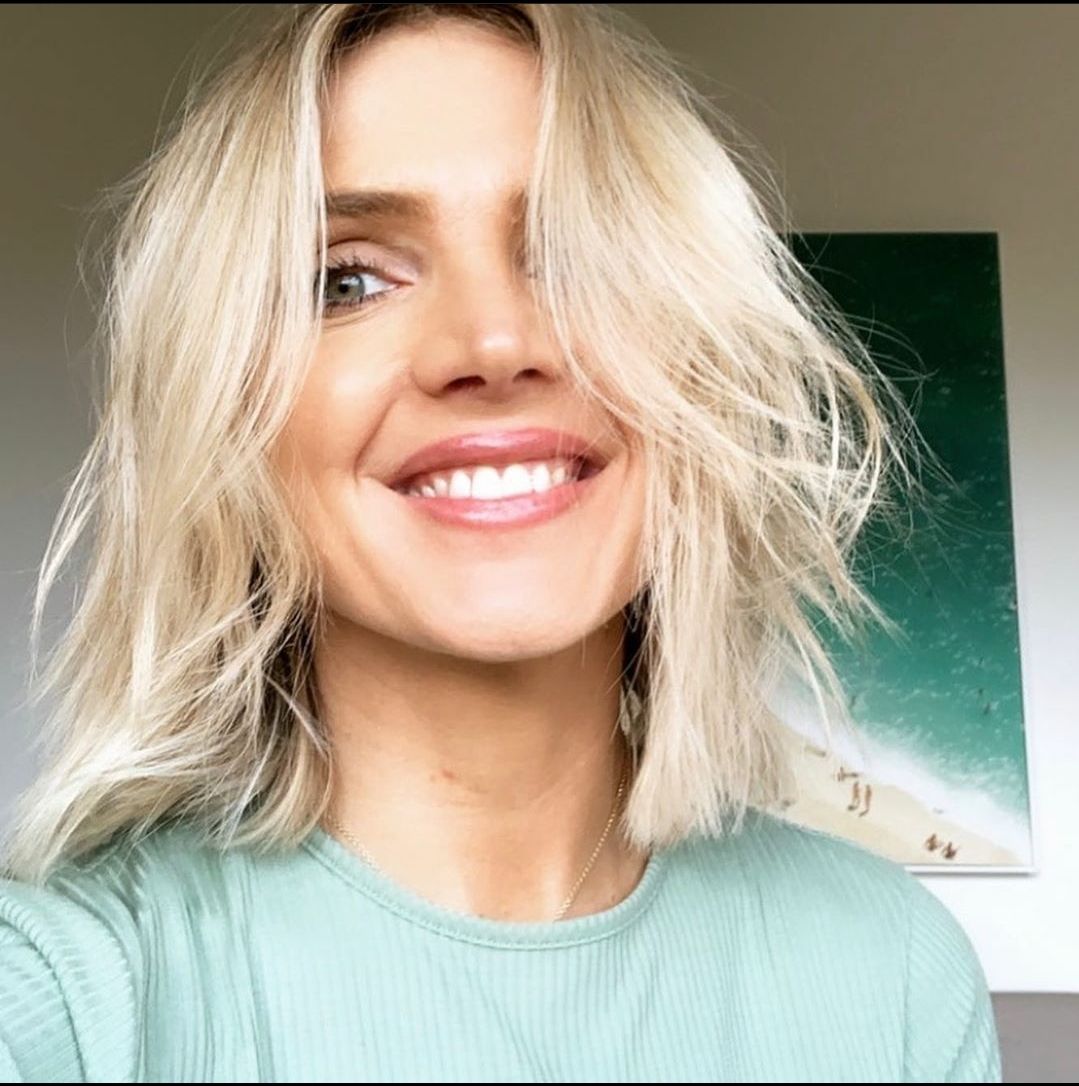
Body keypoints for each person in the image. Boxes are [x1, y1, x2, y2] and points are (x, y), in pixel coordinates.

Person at [0, 4, 1002, 1082]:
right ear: (222, 406)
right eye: (346, 279)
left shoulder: (890, 970)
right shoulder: (64, 987)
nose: (493, 342)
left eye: (576, 254)